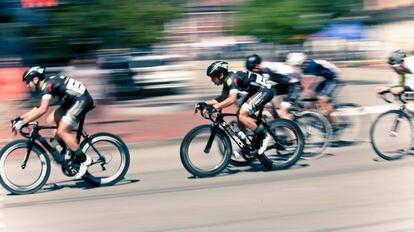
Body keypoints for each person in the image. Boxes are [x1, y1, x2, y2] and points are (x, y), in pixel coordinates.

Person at [11, 66, 94, 178]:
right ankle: (66, 149)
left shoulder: (48, 85)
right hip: (72, 101)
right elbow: (39, 107)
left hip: (81, 100)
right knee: (51, 119)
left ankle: (84, 160)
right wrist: (20, 118)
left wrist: (23, 122)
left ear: (35, 79)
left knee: (62, 131)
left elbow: (43, 109)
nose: (27, 85)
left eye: (27, 82)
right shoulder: (47, 84)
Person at [201, 61, 275, 155]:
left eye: (212, 77)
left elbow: (232, 99)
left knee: (242, 115)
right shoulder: (227, 81)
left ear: (220, 74)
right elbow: (222, 98)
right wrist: (204, 103)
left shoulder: (231, 79)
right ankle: (247, 142)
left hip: (265, 90)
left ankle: (263, 136)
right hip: (256, 91)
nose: (211, 80)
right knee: (239, 113)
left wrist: (213, 107)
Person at [246, 54, 302, 119]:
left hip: (294, 85)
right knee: (268, 96)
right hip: (286, 84)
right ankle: (278, 118)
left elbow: (263, 85)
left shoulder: (265, 69)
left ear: (257, 65)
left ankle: (292, 127)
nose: (253, 72)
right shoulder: (261, 67)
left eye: (252, 69)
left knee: (282, 113)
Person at [286, 52, 339, 117]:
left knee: (321, 98)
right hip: (326, 78)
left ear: (301, 62)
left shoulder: (310, 66)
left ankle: (331, 120)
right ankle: (322, 113)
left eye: (296, 65)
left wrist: (302, 93)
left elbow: (308, 83)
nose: (295, 67)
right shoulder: (305, 65)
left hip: (333, 79)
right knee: (313, 95)